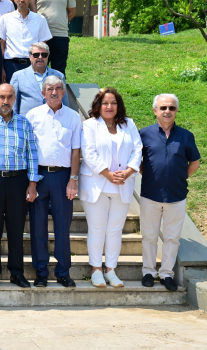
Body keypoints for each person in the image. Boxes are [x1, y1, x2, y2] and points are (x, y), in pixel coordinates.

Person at [79, 88, 143, 288]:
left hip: (122, 184)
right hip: (97, 184)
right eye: (105, 103)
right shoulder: (90, 125)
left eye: (113, 103)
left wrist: (129, 171)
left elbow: (138, 149)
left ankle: (111, 270)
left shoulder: (128, 124)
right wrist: (107, 173)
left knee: (115, 230)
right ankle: (96, 270)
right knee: (97, 228)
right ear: (98, 105)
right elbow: (88, 153)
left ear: (118, 105)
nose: (109, 106)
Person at [139, 94, 201, 291]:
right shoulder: (144, 134)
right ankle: (148, 272)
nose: (167, 111)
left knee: (172, 238)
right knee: (149, 236)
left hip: (176, 196)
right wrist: (151, 176)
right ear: (155, 110)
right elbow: (137, 162)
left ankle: (167, 274)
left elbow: (195, 162)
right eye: (163, 107)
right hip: (150, 194)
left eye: (171, 108)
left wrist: (181, 178)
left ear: (176, 111)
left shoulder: (186, 136)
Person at [0, 83, 38, 289]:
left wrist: (32, 183)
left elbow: (32, 154)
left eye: (10, 97)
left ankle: (16, 273)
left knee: (16, 230)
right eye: (2, 97)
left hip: (18, 182)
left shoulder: (24, 123)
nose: (5, 101)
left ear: (15, 99)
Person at [25, 76, 81, 288]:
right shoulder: (33, 115)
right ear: (43, 93)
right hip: (38, 176)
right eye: (50, 89)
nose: (54, 92)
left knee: (62, 226)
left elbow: (75, 151)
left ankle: (63, 272)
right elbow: (28, 150)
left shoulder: (73, 117)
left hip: (63, 177)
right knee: (38, 226)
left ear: (64, 92)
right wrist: (31, 181)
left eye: (58, 88)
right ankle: (41, 272)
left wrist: (73, 180)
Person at [0, 0, 52, 83]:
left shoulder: (40, 19)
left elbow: (43, 47)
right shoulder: (5, 19)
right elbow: (1, 45)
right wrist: (1, 68)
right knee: (12, 92)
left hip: (33, 65)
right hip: (11, 65)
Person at [35, 0, 77, 75]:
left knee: (59, 71)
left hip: (61, 36)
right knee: (39, 69)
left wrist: (61, 22)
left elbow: (72, 12)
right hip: (41, 36)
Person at [10, 42, 69, 115]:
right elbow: (13, 104)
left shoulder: (59, 76)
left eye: (44, 55)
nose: (40, 57)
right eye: (36, 55)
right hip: (27, 121)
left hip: (53, 119)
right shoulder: (18, 76)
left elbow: (65, 104)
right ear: (30, 57)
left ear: (48, 57)